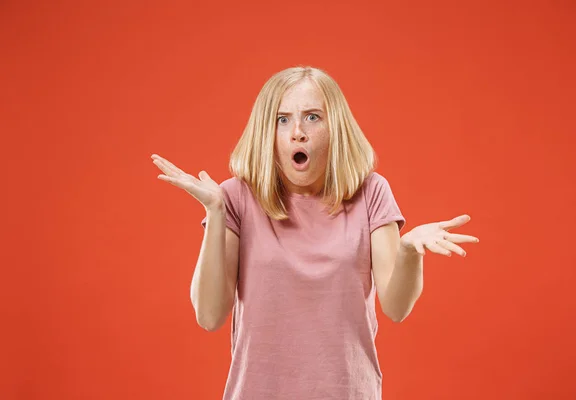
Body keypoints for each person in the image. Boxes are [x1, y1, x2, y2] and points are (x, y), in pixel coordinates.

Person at [151, 66, 479, 399]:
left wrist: (408, 252)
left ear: (335, 127)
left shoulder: (372, 193)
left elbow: (396, 307)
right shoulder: (236, 197)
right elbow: (208, 315)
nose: (297, 132)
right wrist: (215, 212)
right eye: (282, 119)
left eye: (312, 117)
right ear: (267, 131)